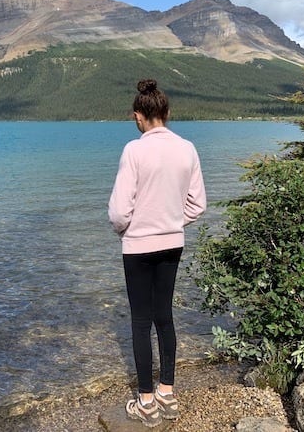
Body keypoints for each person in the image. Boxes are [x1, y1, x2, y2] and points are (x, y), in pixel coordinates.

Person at [108, 79, 206, 427]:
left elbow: (120, 210)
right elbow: (198, 204)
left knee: (139, 321)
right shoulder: (188, 149)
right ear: (167, 113)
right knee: (164, 317)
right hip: (172, 243)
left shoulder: (134, 151)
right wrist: (173, 222)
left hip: (138, 246)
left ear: (138, 116)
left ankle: (146, 403)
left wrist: (128, 230)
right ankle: (167, 393)